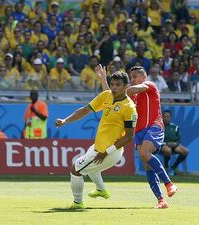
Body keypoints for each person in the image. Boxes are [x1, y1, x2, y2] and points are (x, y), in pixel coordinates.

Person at [96, 65, 178, 208]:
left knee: (144, 153)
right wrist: (104, 80)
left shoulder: (149, 86)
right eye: (131, 77)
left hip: (154, 126)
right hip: (138, 132)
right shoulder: (130, 97)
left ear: (143, 77)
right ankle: (161, 200)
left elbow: (131, 89)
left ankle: (169, 183)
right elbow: (110, 97)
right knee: (146, 164)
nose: (132, 79)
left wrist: (119, 87)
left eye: (134, 77)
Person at [55, 71, 137, 209]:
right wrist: (65, 120)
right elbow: (85, 110)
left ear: (126, 86)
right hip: (98, 146)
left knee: (76, 169)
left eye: (118, 85)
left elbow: (129, 136)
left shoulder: (129, 108)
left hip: (111, 151)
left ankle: (77, 203)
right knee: (90, 166)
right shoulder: (106, 96)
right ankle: (101, 190)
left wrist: (107, 151)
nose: (114, 87)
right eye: (112, 84)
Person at [161, 110, 189, 175]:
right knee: (168, 150)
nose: (166, 118)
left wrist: (176, 143)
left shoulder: (175, 127)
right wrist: (166, 143)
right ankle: (166, 166)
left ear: (170, 118)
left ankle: (174, 166)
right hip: (163, 145)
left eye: (168, 117)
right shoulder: (159, 126)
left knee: (185, 151)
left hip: (174, 145)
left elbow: (178, 138)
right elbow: (158, 139)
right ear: (162, 117)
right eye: (164, 117)